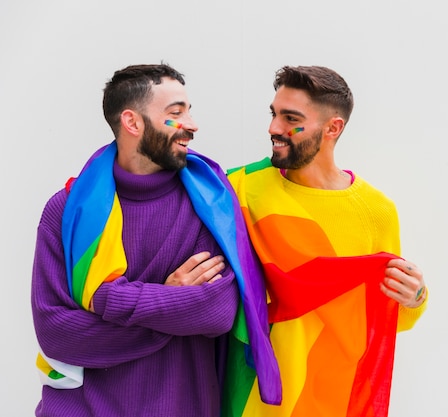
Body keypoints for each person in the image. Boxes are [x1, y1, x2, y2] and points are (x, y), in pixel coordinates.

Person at [31, 64, 280, 417]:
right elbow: (57, 334)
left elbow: (217, 312)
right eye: (176, 113)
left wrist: (108, 299)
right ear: (133, 123)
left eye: (189, 111)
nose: (192, 124)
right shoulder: (68, 212)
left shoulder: (209, 204)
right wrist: (170, 301)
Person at [223, 65, 429, 417]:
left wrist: (417, 297)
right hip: (256, 400)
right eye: (274, 114)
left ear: (333, 128)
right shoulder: (240, 188)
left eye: (291, 118)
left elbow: (390, 317)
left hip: (335, 396)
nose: (274, 128)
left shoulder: (375, 210)